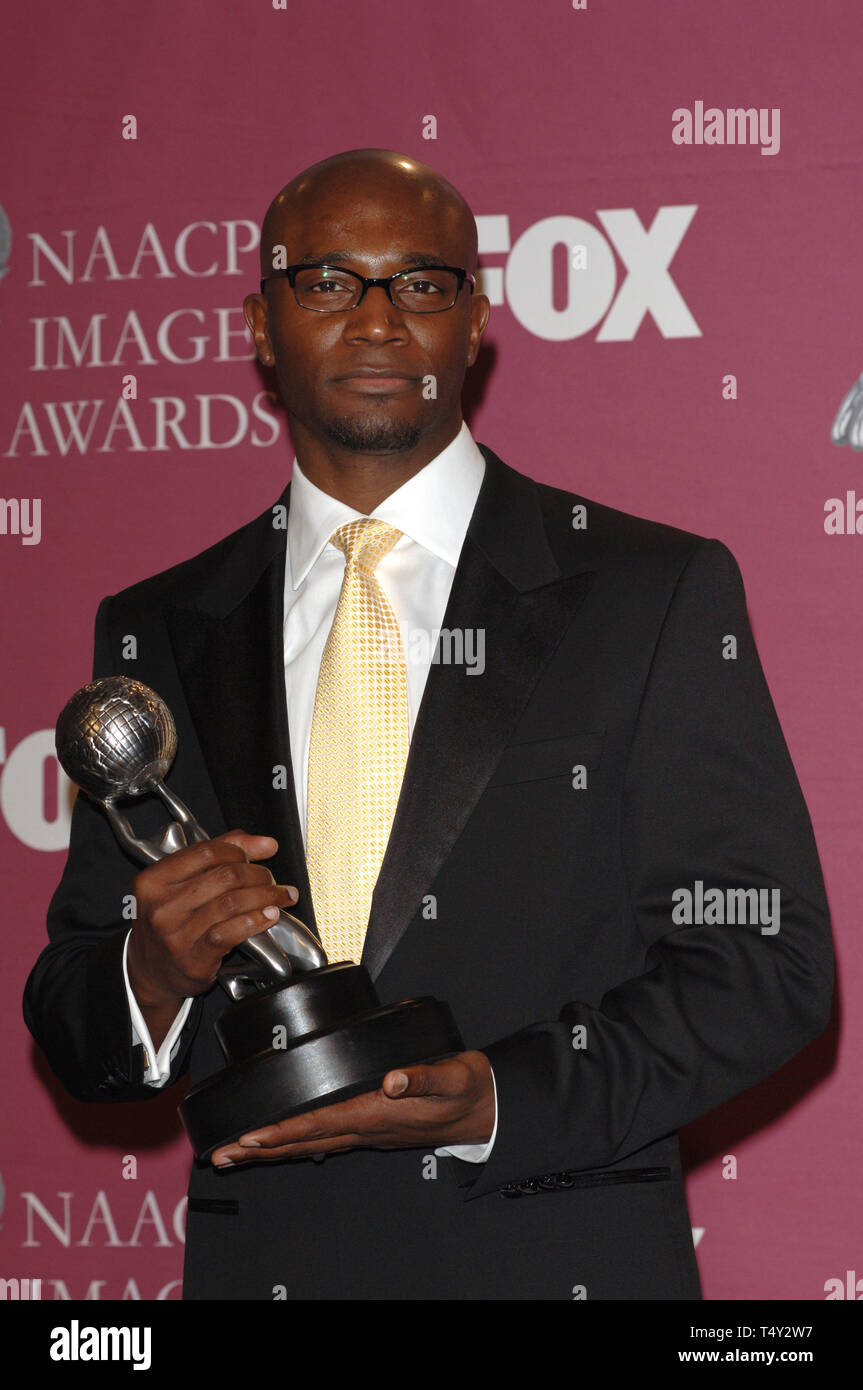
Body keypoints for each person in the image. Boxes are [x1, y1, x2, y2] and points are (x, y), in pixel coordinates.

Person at [24, 148, 834, 1301]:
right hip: (266, 1271)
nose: (375, 320)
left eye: (419, 284)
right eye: (326, 282)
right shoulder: (159, 624)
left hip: (557, 1266)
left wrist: (501, 1097)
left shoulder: (647, 592)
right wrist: (149, 973)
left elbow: (766, 961)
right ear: (261, 322)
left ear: (474, 324)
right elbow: (74, 1009)